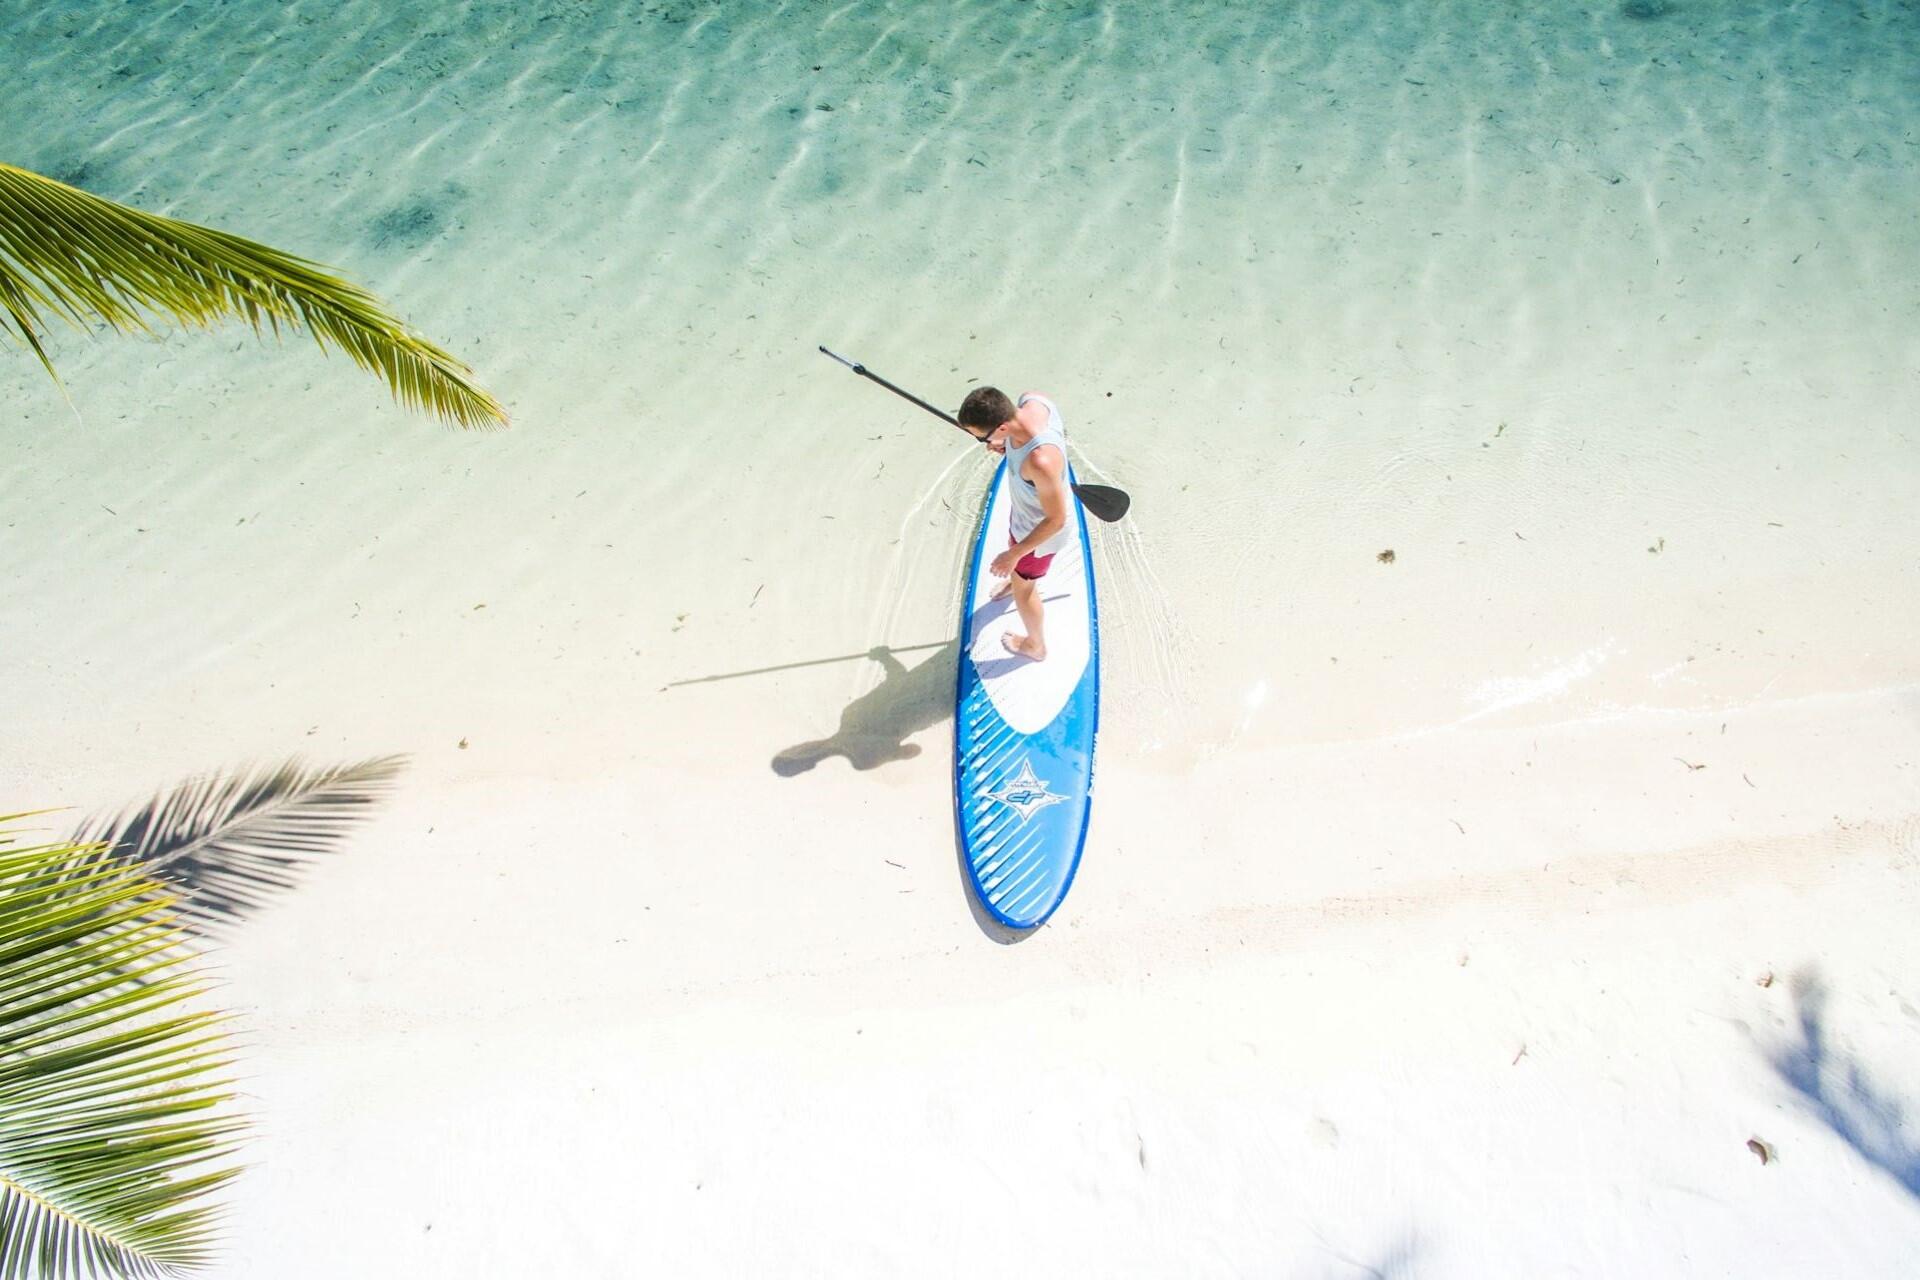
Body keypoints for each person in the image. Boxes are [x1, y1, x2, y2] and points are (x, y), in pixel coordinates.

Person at [956, 385, 1071, 662]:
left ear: (1003, 427)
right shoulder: (1032, 400)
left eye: (981, 436)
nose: (981, 441)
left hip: (1038, 536)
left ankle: (1035, 646)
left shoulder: (1040, 461)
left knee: (1025, 591)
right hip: (1022, 517)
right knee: (1018, 575)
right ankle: (1017, 578)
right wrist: (1007, 447)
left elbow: (1057, 519)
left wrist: (1013, 554)